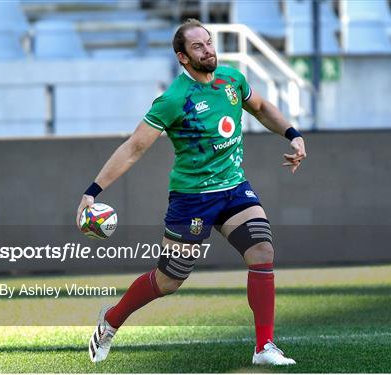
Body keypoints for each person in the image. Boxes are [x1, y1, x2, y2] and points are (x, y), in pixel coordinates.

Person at [77, 19, 306, 366]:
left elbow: (259, 108)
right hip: (192, 199)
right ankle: (111, 320)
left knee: (261, 250)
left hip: (233, 189)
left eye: (209, 43)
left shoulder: (232, 79)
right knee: (169, 280)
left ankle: (264, 347)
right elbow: (134, 148)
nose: (208, 50)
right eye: (198, 46)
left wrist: (292, 134)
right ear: (183, 57)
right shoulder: (173, 100)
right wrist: (93, 190)